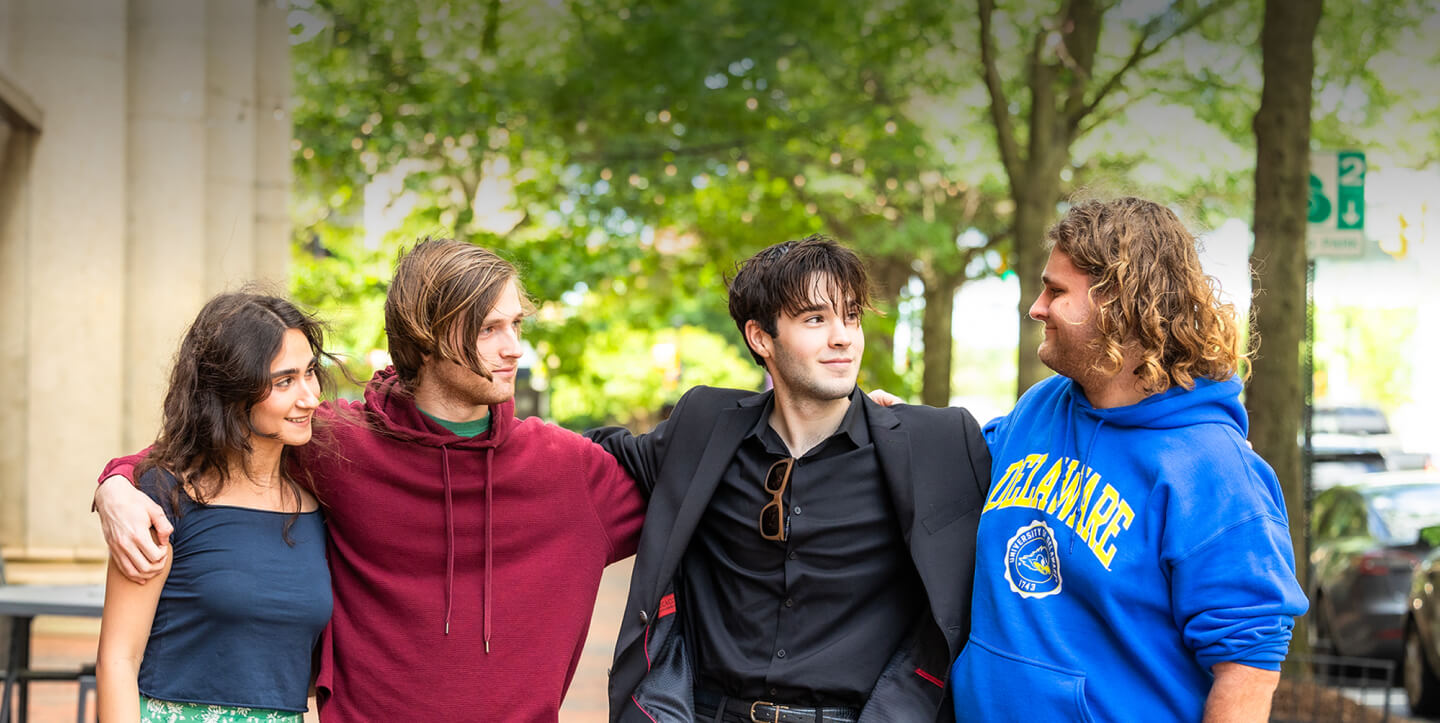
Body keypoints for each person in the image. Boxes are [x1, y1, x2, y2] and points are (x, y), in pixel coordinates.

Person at [94, 239, 646, 721]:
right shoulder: (334, 444)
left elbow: (685, 500)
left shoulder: (567, 467)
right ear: (427, 338)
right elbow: (205, 444)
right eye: (489, 329)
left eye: (516, 324)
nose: (514, 347)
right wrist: (115, 484)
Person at [589, 235, 992, 722]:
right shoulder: (704, 427)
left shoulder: (938, 444)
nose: (843, 337)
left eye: (851, 316)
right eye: (816, 319)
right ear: (761, 337)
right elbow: (580, 461)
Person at [949, 198, 1308, 721]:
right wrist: (890, 425)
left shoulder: (1215, 471)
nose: (1036, 307)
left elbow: (1247, 670)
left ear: (1120, 305)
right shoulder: (1038, 408)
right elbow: (958, 465)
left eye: (1056, 292)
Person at [96, 292, 334, 723]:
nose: (310, 397)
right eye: (284, 381)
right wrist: (112, 484)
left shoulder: (319, 503)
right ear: (232, 392)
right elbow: (118, 660)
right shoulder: (161, 498)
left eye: (310, 372)